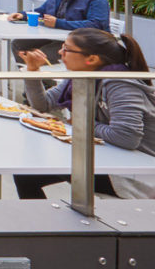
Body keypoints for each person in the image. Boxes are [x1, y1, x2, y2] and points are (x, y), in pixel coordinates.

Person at [14, 28, 155, 199]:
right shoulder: (79, 77)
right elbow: (43, 104)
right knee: (25, 172)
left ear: (92, 59)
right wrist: (33, 70)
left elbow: (126, 137)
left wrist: (81, 122)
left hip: (133, 172)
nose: (60, 52)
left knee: (43, 165)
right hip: (105, 157)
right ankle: (40, 225)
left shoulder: (121, 85)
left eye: (66, 49)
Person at [8, 0, 112, 63]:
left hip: (86, 42)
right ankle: (38, 79)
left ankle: (41, 78)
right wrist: (23, 15)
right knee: (18, 44)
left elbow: (97, 25)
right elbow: (42, 11)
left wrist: (58, 23)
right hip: (57, 37)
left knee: (41, 54)